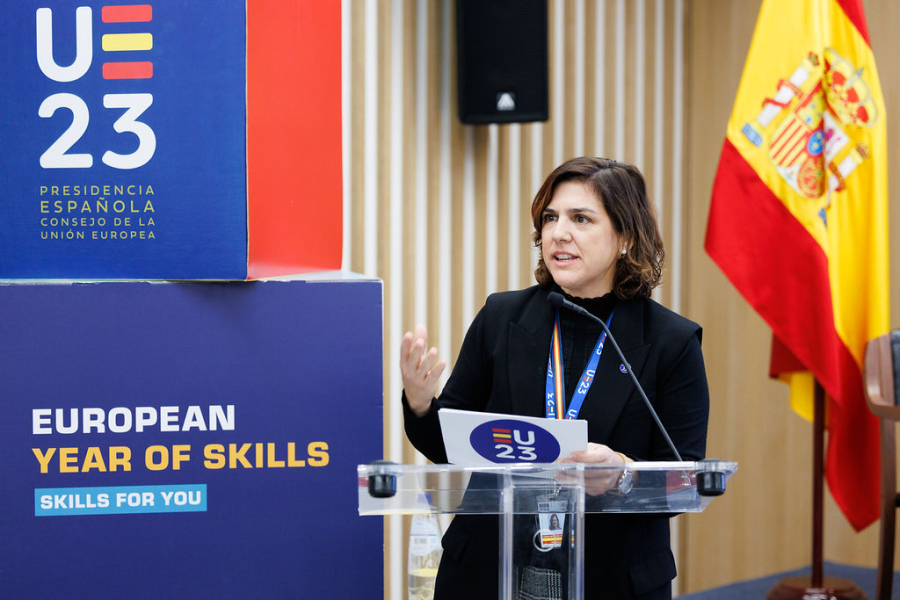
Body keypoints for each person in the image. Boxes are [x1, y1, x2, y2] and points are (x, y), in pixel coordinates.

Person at [400, 157, 709, 600]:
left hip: (611, 577)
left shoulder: (670, 342)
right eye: (550, 217)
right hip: (488, 571)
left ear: (624, 237)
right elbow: (449, 445)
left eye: (580, 218)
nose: (558, 232)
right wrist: (421, 403)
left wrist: (623, 473)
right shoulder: (502, 318)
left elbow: (686, 481)